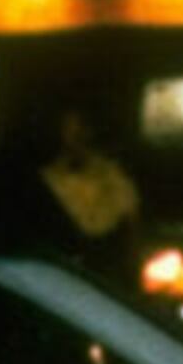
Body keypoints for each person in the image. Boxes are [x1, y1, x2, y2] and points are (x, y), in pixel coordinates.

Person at [38, 105, 142, 286]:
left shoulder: (111, 176)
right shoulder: (47, 180)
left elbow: (130, 224)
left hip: (105, 274)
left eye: (79, 131)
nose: (73, 138)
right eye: (68, 130)